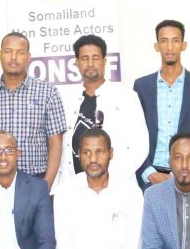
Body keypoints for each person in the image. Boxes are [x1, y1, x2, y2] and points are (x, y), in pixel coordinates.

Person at [0, 33, 67, 188]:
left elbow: (55, 144)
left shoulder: (48, 92)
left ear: (28, 57)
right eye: (8, 51)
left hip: (35, 180)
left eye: (20, 52)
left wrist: (45, 187)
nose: (13, 57)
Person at [55, 35, 147, 192]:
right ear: (76, 62)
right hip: (73, 188)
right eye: (85, 58)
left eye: (95, 58)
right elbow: (59, 147)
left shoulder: (127, 97)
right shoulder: (65, 99)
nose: (90, 64)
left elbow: (140, 146)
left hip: (116, 188)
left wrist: (109, 180)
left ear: (104, 61)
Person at [133, 20, 190, 190]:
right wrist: (148, 172)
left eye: (175, 40)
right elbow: (134, 134)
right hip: (149, 177)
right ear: (157, 46)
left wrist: (179, 172)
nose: (170, 47)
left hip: (187, 176)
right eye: (164, 41)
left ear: (184, 45)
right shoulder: (142, 86)